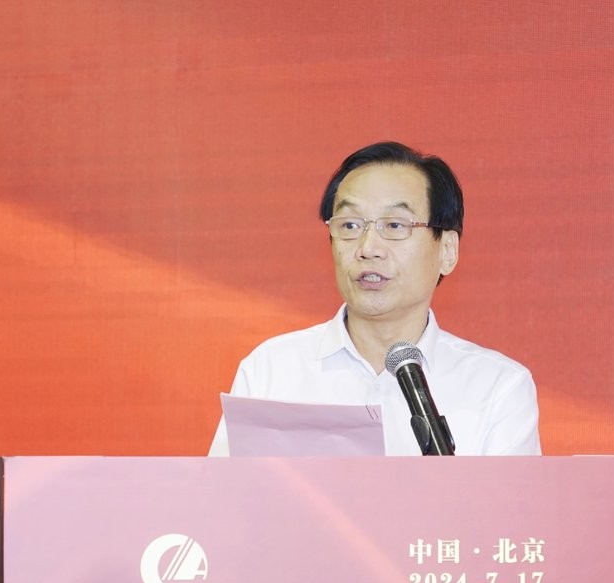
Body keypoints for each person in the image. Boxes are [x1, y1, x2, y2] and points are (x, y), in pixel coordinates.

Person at [208, 141, 540, 456]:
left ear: (447, 251)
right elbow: (223, 494)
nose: (368, 248)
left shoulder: (498, 388)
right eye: (350, 225)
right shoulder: (272, 371)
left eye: (394, 225)